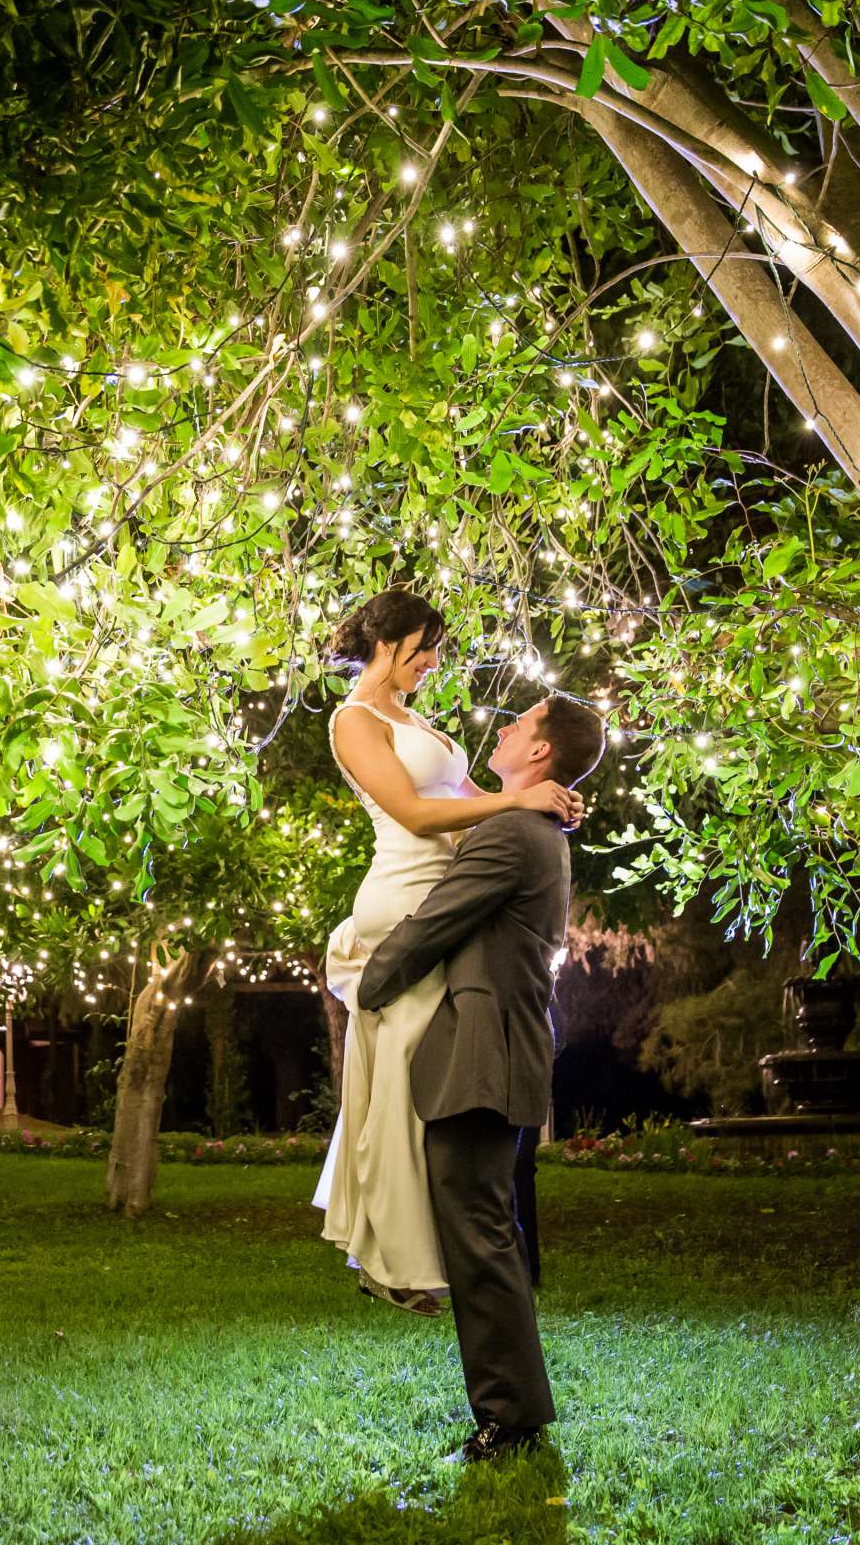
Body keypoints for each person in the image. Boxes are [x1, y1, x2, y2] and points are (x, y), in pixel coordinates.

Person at [311, 591, 584, 1319]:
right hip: (402, 899)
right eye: (424, 648)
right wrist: (514, 806)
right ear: (390, 641)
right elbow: (418, 814)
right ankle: (395, 1260)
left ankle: (410, 1252)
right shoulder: (354, 721)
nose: (433, 663)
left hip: (446, 898)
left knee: (417, 1084)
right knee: (402, 1082)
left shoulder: (410, 718)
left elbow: (472, 803)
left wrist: (542, 799)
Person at [355, 691, 604, 1463]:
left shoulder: (513, 837)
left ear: (540, 754)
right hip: (502, 1047)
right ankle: (515, 1410)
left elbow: (436, 921)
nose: (504, 728)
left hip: (484, 1053)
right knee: (490, 1229)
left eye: (520, 724)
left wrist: (369, 982)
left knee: (481, 1233)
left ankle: (513, 1421)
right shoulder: (530, 825)